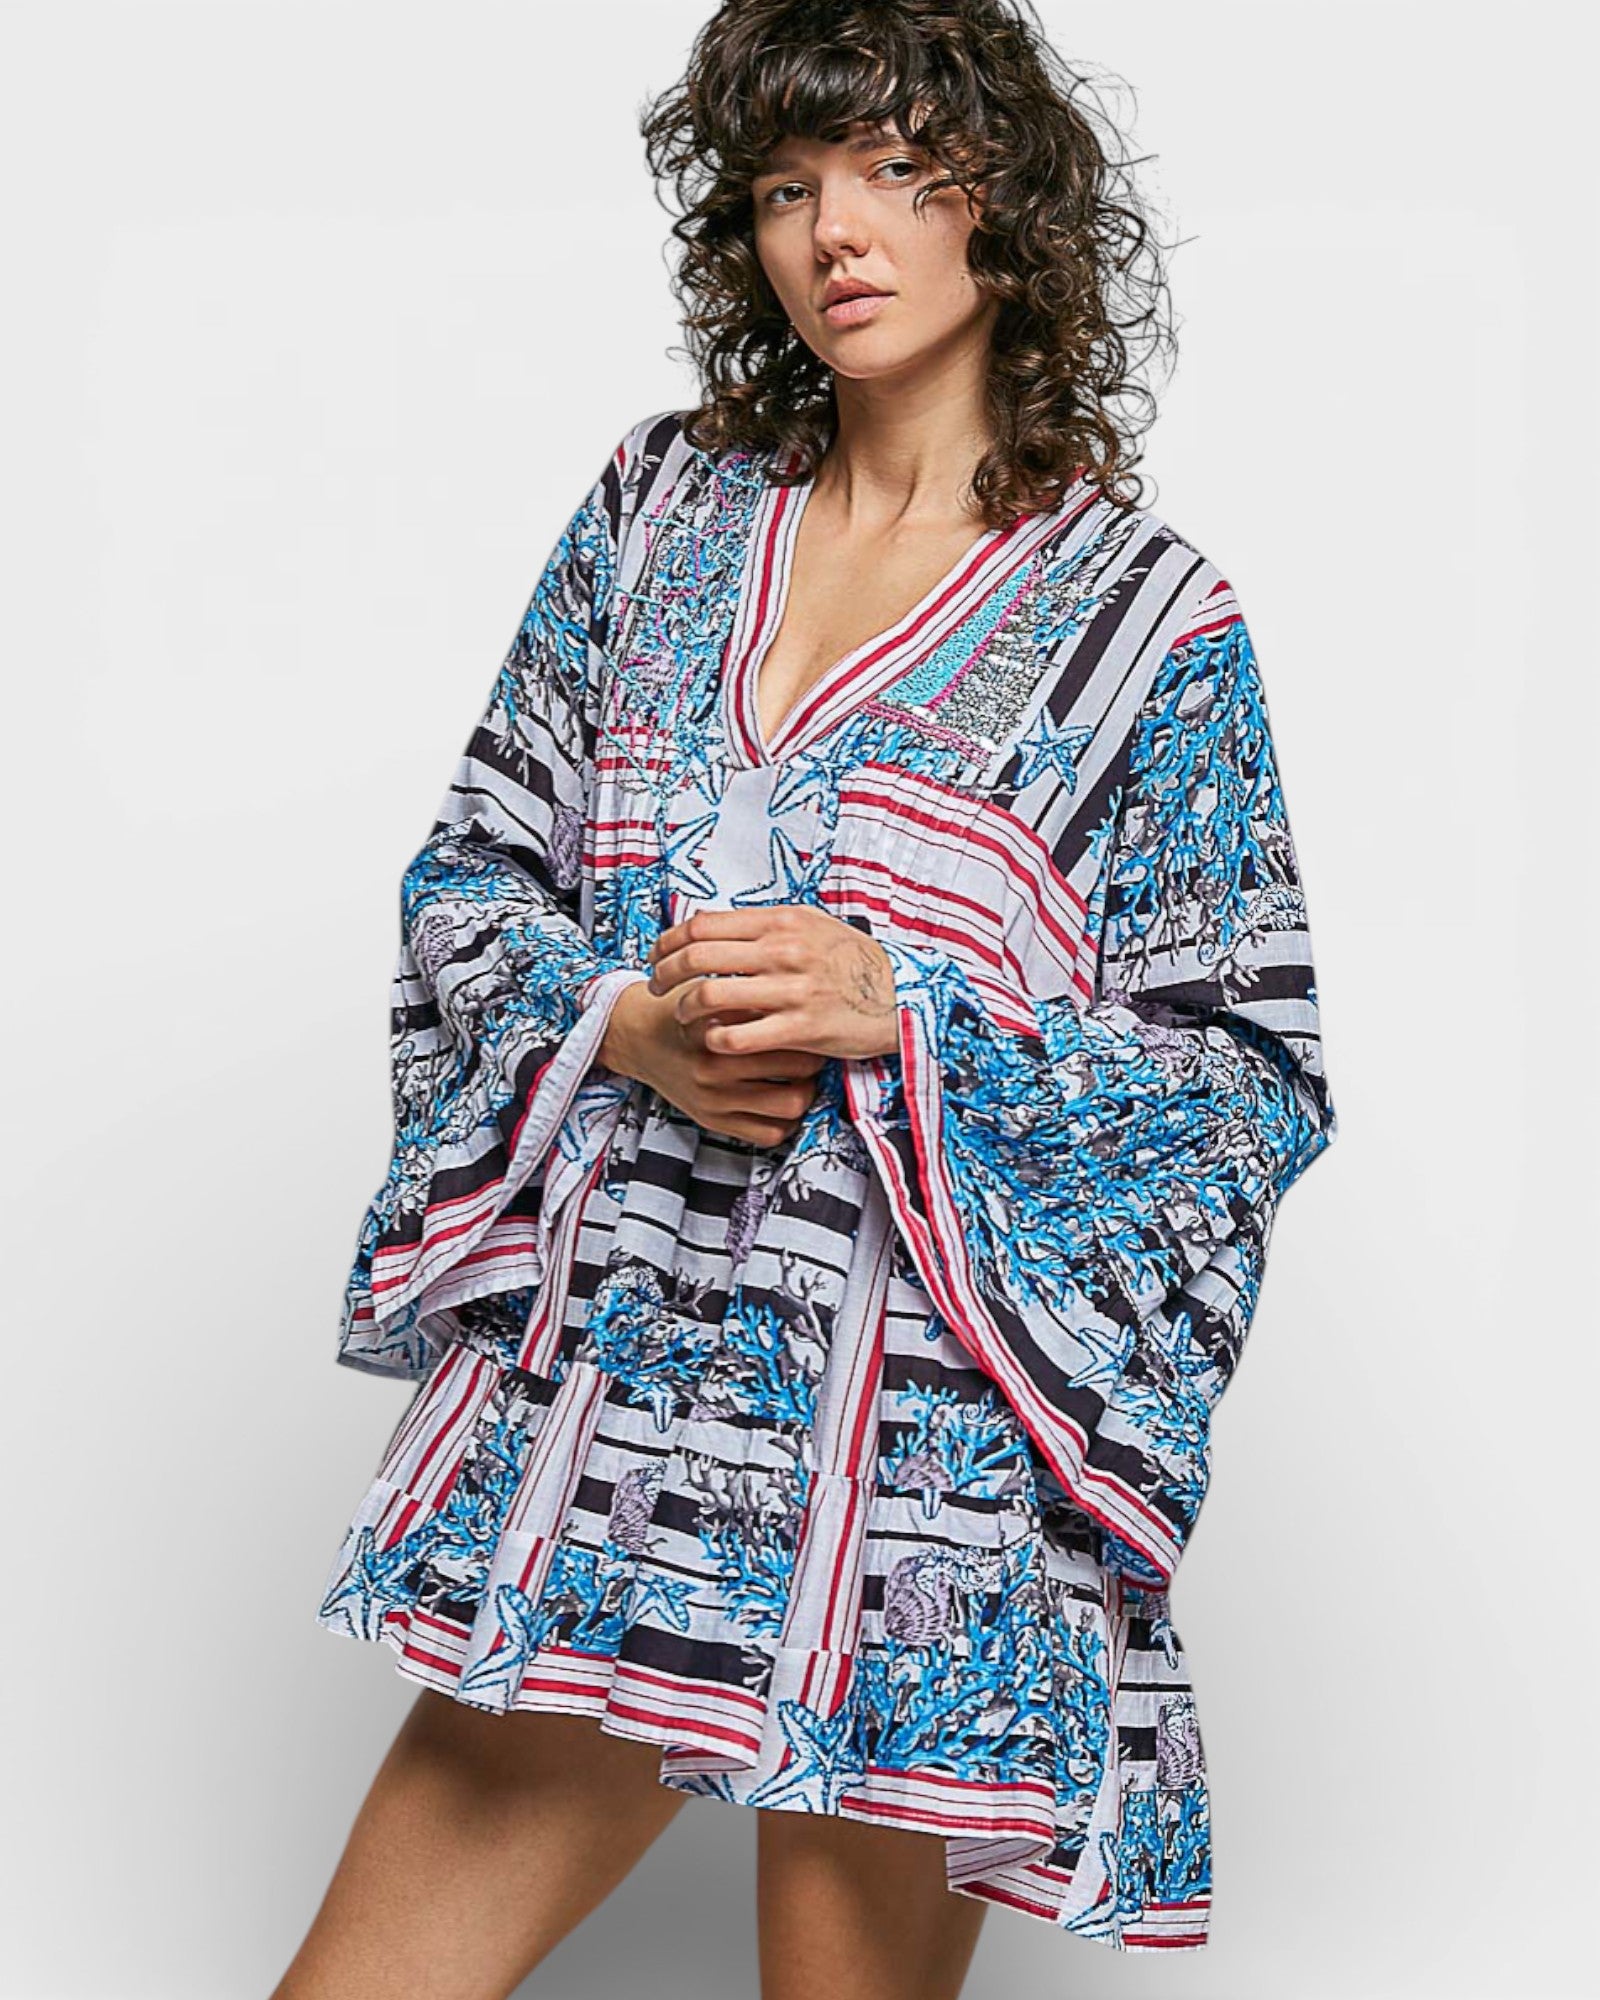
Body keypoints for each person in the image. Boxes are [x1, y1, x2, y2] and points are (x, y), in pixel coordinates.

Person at [278, 2, 1338, 1994]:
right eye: (783, 187)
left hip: (919, 1491)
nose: (833, 230)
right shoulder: (657, 514)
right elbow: (470, 878)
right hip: (608, 1419)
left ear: (1003, 208)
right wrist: (626, 1027)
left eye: (892, 169)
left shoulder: (1143, 626)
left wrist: (902, 1010)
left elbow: (1243, 1079)